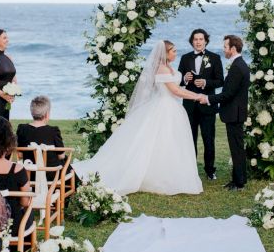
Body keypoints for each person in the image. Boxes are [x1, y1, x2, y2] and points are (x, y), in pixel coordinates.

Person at [73, 40, 203, 195]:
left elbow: (176, 88)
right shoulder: (162, 69)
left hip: (171, 106)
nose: (176, 53)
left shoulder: (168, 67)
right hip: (164, 107)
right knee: (160, 140)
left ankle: (167, 171)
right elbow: (175, 91)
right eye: (173, 50)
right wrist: (197, 96)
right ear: (165, 53)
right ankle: (156, 176)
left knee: (169, 141)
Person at [199, 35, 250, 191]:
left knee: (236, 149)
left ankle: (239, 182)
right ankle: (238, 179)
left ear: (233, 48)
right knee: (237, 148)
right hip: (235, 113)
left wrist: (207, 99)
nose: (223, 49)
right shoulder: (239, 64)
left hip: (234, 114)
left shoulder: (237, 67)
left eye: (225, 47)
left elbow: (227, 94)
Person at [178, 29, 224, 180]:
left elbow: (220, 81)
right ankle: (190, 170)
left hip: (207, 106)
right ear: (192, 41)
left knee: (208, 139)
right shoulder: (185, 58)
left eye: (201, 39)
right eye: (195, 39)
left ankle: (210, 171)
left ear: (206, 41)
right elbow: (178, 81)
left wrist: (206, 82)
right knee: (189, 139)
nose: (198, 42)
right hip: (190, 106)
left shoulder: (215, 58)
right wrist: (185, 79)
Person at [17, 96, 74, 180]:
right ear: (47, 114)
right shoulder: (53, 131)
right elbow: (61, 156)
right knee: (64, 160)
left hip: (30, 173)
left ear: (32, 113)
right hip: (52, 174)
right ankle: (79, 185)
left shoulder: (22, 129)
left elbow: (20, 154)